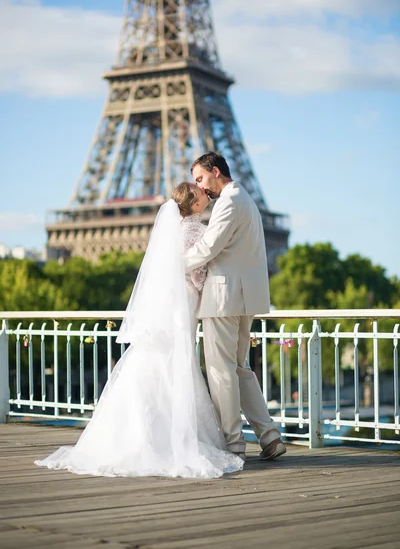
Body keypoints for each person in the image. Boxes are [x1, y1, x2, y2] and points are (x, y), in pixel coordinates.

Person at [34, 184, 244, 479]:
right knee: (178, 363)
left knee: (156, 359)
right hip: (184, 303)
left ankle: (135, 433)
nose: (204, 198)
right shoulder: (196, 230)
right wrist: (205, 289)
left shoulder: (173, 230)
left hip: (168, 303)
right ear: (193, 205)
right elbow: (198, 272)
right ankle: (173, 435)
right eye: (200, 196)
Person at [184, 152, 286, 461]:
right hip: (246, 297)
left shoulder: (228, 201)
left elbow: (209, 246)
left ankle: (232, 444)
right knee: (240, 369)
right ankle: (269, 436)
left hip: (223, 297)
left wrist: (171, 265)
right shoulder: (246, 199)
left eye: (201, 179)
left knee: (219, 371)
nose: (200, 187)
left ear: (216, 171)